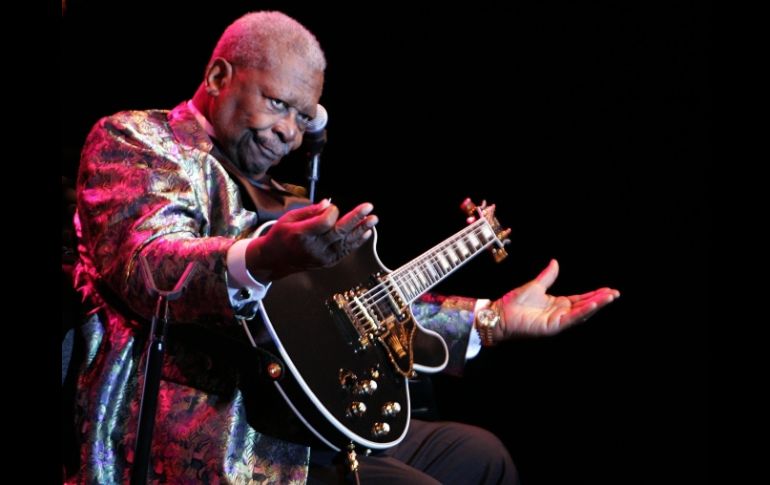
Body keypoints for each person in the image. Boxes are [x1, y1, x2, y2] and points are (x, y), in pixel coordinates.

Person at [65, 11, 620, 484]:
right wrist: (261, 259)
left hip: (302, 420)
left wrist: (492, 319)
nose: (290, 132)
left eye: (304, 117)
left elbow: (361, 306)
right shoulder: (138, 140)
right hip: (206, 431)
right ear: (218, 76)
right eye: (278, 104)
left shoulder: (286, 198)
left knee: (481, 457)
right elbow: (149, 265)